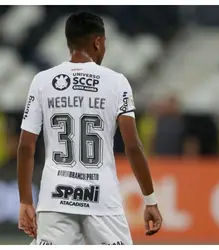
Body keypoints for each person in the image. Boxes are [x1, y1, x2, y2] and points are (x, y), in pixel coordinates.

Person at [17, 11, 162, 245]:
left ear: (69, 42)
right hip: (101, 199)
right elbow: (133, 146)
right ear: (98, 42)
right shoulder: (117, 82)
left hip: (55, 198)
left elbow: (26, 146)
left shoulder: (42, 81)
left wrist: (25, 201)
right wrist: (150, 200)